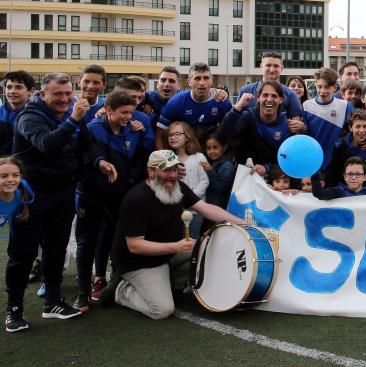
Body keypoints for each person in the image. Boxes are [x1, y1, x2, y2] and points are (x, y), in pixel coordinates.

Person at [102, 150, 246, 319]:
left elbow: (206, 209)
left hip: (168, 254)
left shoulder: (179, 187)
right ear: (151, 171)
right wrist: (177, 246)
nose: (172, 175)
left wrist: (243, 224)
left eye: (174, 169)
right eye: (166, 170)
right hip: (138, 263)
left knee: (210, 252)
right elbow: (135, 246)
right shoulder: (136, 199)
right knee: (162, 310)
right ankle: (120, 290)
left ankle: (168, 283)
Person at [8, 72, 93, 323]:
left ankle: (53, 302)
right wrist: (75, 118)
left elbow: (86, 145)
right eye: (58, 94)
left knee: (56, 250)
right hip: (31, 196)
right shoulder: (29, 116)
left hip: (62, 192)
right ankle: (14, 309)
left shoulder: (70, 114)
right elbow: (46, 144)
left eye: (68, 94)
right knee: (22, 254)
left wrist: (98, 162)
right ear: (42, 94)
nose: (64, 99)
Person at [74, 91, 155, 312]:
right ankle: (82, 292)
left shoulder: (134, 129)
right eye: (124, 112)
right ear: (108, 110)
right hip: (91, 194)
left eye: (131, 112)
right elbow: (87, 155)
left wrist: (144, 134)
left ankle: (114, 282)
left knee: (116, 239)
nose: (129, 116)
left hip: (120, 196)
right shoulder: (92, 128)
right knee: (86, 241)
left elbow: (142, 159)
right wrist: (101, 163)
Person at [216, 82, 298, 177]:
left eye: (274, 96)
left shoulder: (287, 126)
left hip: (276, 181)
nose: (269, 99)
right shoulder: (248, 117)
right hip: (247, 177)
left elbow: (289, 160)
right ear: (258, 98)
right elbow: (221, 137)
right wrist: (238, 107)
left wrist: (267, 168)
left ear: (281, 100)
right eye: (265, 95)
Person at [156, 63, 233, 147]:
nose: (202, 83)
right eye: (197, 78)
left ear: (212, 81)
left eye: (206, 78)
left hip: (211, 151)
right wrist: (165, 158)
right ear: (189, 82)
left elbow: (229, 134)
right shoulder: (175, 102)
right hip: (185, 151)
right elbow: (159, 136)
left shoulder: (223, 102)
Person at [1, 157, 35, 332]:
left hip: (13, 226)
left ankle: (14, 310)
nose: (10, 180)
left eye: (15, 175)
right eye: (3, 176)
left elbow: (24, 206)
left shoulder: (23, 189)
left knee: (20, 258)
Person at [235, 51, 305, 118]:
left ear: (282, 68)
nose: (272, 70)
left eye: (276, 66)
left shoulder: (290, 95)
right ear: (261, 67)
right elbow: (236, 116)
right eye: (268, 65)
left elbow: (296, 122)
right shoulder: (246, 90)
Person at [0, 71, 35, 155]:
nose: (12, 91)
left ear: (31, 91)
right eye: (9, 87)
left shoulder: (36, 115)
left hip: (22, 164)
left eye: (18, 87)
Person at [203, 134, 235, 209]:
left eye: (215, 147)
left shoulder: (227, 165)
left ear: (224, 147)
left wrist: (210, 172)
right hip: (210, 203)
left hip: (219, 206)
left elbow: (221, 189)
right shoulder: (211, 162)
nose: (211, 151)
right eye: (208, 148)